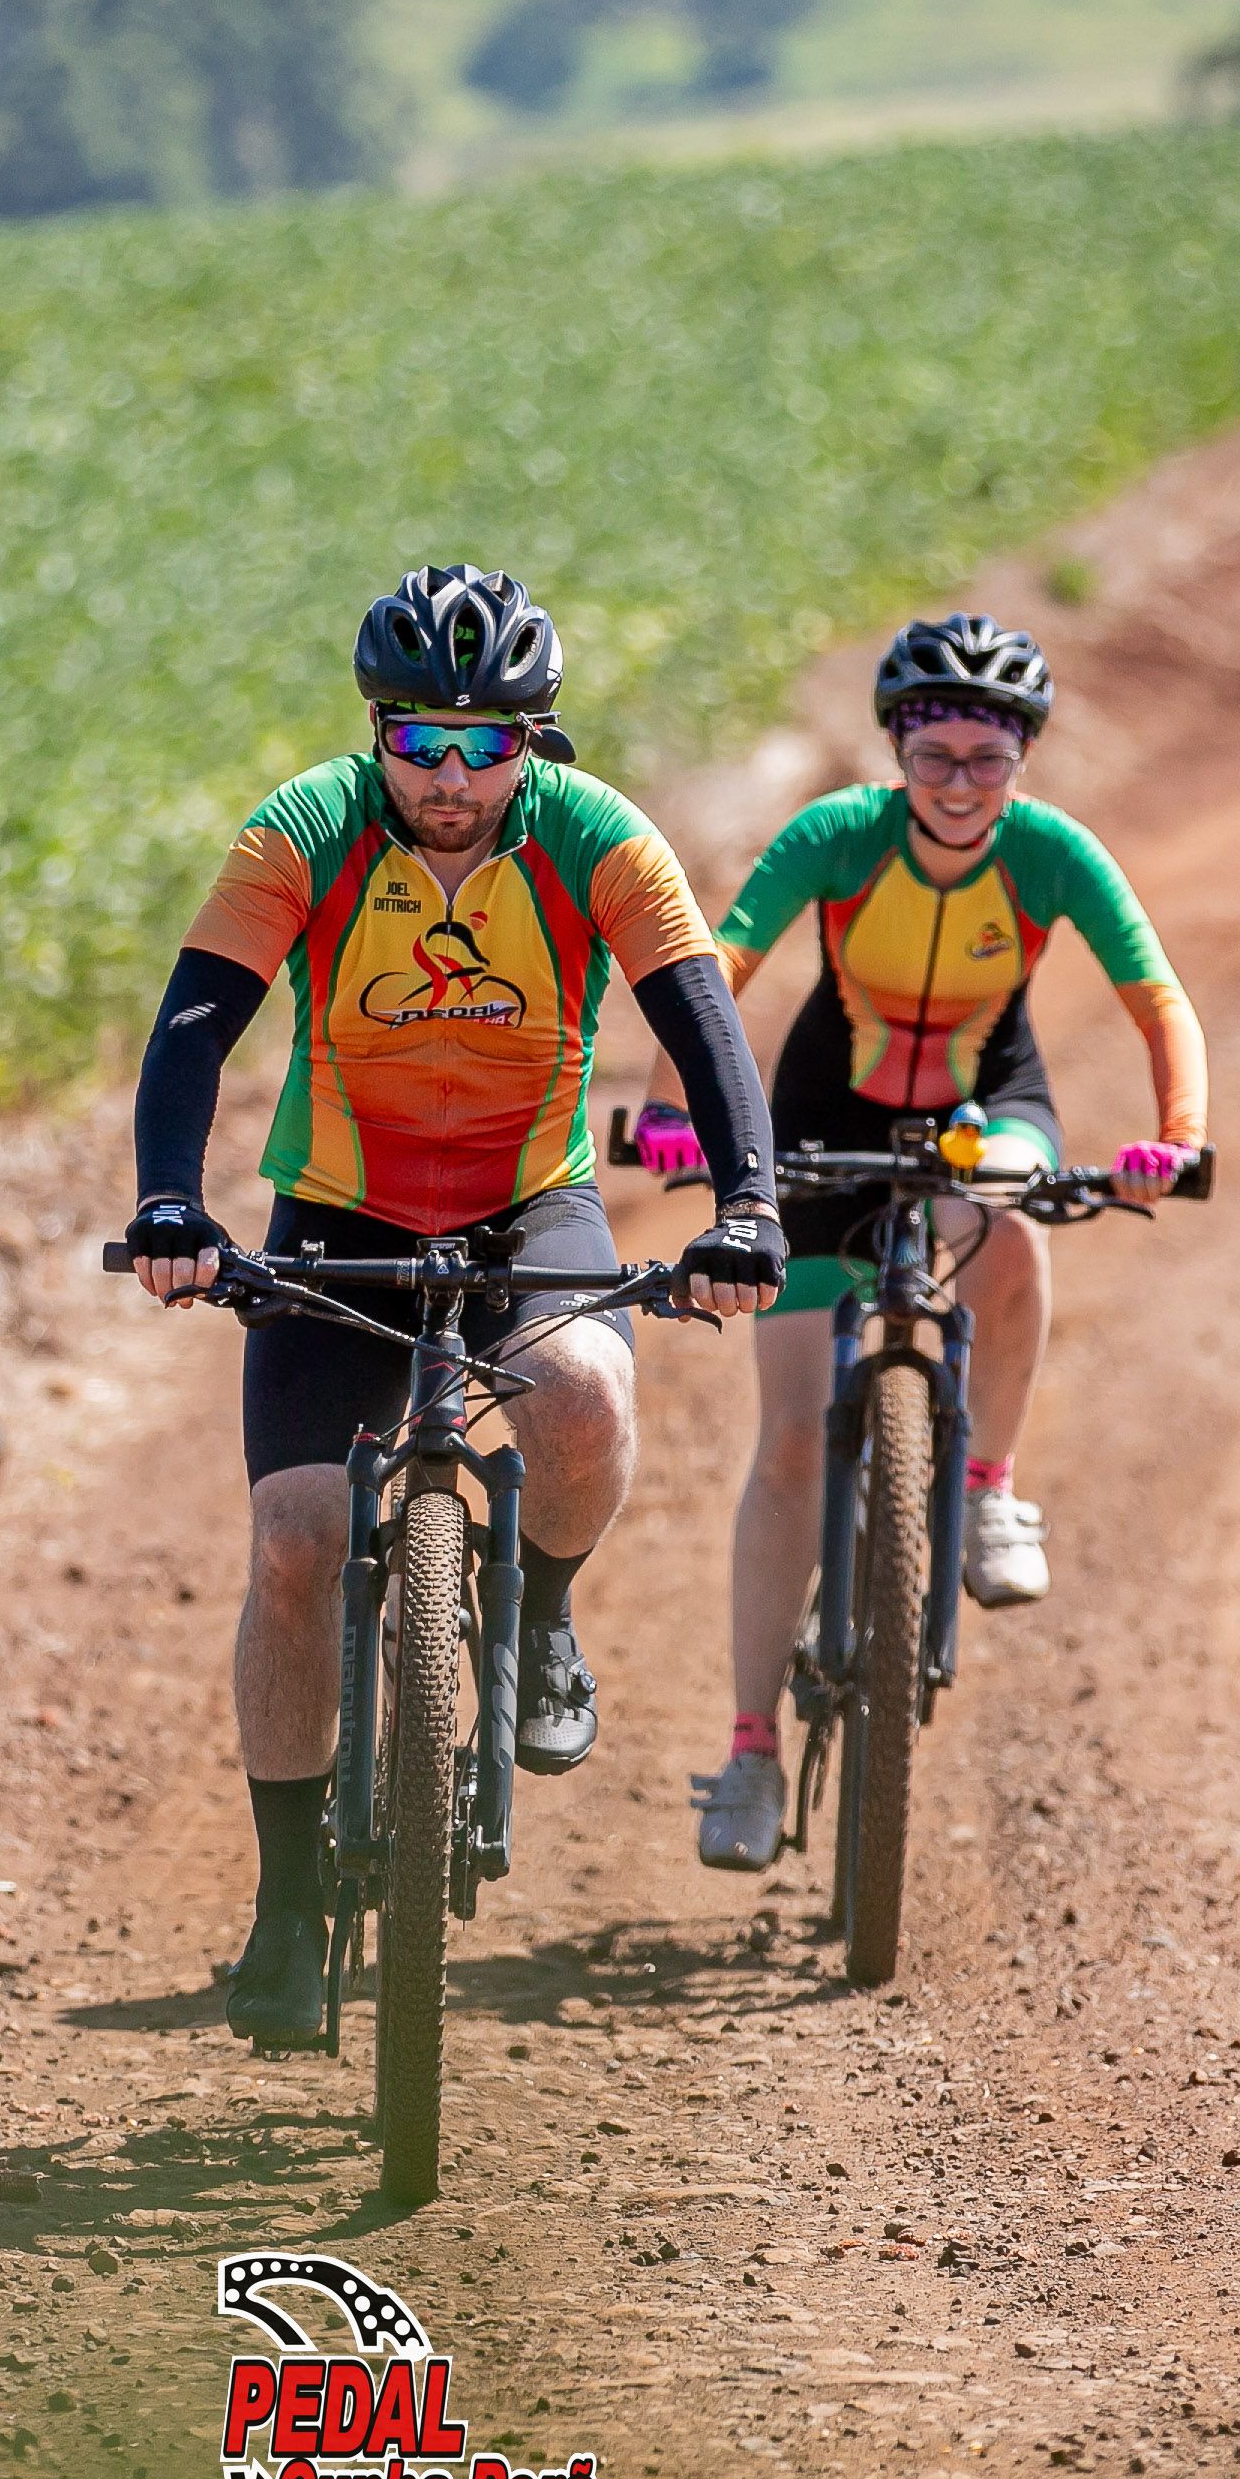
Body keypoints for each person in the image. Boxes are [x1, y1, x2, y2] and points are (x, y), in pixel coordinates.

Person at [125, 562, 787, 2046]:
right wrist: (171, 1200)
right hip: (339, 1208)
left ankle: (541, 1616)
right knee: (296, 1540)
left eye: (483, 745)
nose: (448, 777)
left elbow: (704, 1028)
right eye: (417, 741)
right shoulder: (303, 828)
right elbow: (194, 1027)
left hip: (527, 1199)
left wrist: (748, 1206)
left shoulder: (599, 837)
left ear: (529, 741)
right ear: (377, 732)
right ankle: (286, 1902)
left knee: (587, 1395)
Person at [642, 614, 1207, 1873]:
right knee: (791, 1443)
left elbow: (1156, 995)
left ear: (1022, 759)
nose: (959, 783)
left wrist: (1177, 1136)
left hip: (984, 1105)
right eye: (935, 755)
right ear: (896, 751)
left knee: (1007, 1225)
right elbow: (719, 963)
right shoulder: (838, 837)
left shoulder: (1051, 855)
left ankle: (989, 1488)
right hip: (822, 1113)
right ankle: (750, 1749)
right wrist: (677, 1109)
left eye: (986, 758)